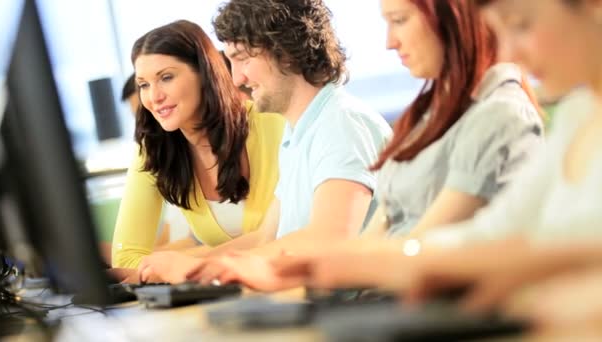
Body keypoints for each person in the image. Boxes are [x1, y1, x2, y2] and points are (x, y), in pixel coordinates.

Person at [261, 0, 602, 322]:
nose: (509, 53)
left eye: (521, 26)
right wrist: (333, 263)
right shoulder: (577, 114)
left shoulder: (503, 113)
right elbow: (494, 232)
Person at [166, 0, 544, 286]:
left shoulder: (343, 124)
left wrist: (274, 269)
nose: (389, 42)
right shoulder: (424, 118)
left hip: (394, 296)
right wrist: (210, 265)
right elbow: (375, 235)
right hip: (375, 293)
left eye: (399, 20)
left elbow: (398, 244)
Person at [136, 0, 392, 283]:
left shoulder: (340, 124)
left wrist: (203, 269)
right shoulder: (297, 133)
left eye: (243, 58)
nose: (236, 79)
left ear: (286, 51)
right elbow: (265, 238)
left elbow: (328, 239)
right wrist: (190, 265)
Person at [110, 20, 286, 269]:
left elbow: (286, 235)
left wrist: (185, 264)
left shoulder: (273, 123)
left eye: (166, 77)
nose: (154, 97)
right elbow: (126, 258)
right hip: (229, 293)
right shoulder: (155, 149)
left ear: (205, 74)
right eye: (144, 85)